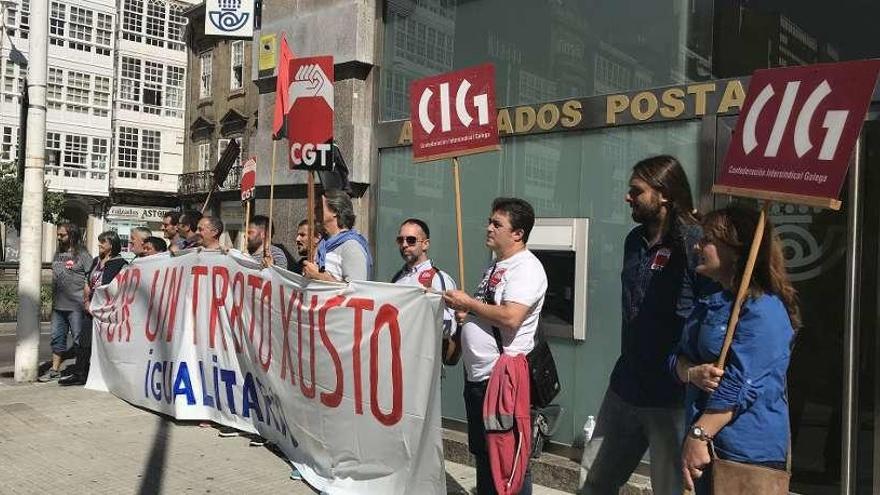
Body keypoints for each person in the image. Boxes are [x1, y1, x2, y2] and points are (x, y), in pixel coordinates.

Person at [581, 155, 707, 495]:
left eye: (636, 191)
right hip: (625, 386)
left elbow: (711, 311)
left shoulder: (694, 243)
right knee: (594, 481)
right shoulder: (634, 240)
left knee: (671, 489)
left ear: (664, 194)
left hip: (672, 396)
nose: (627, 197)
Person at [672, 205, 797, 493]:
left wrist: (699, 434)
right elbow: (675, 358)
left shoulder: (764, 309)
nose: (697, 245)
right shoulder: (710, 302)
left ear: (735, 249)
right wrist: (690, 372)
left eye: (707, 240)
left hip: (744, 452)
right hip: (706, 447)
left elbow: (742, 383)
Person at [443, 197, 548, 495]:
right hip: (480, 379)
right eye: (490, 221)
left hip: (502, 380)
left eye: (496, 223)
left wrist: (468, 303)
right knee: (485, 456)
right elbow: (486, 310)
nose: (488, 227)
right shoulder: (496, 265)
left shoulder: (526, 268)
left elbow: (512, 317)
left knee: (508, 460)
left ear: (518, 233)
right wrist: (469, 311)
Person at [60, 231, 127, 386]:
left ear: (112, 245)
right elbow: (88, 281)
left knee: (106, 344)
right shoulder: (96, 261)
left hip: (107, 311)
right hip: (90, 309)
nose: (99, 245)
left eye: (103, 242)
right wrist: (86, 302)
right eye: (99, 242)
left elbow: (120, 288)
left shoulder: (120, 263)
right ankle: (80, 373)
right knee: (84, 341)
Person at [39, 223, 93, 382]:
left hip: (76, 306)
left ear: (72, 235)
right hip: (58, 306)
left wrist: (86, 300)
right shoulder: (58, 252)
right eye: (58, 234)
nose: (59, 237)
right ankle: (55, 369)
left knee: (79, 340)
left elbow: (90, 278)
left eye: (62, 235)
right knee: (57, 338)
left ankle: (81, 370)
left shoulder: (83, 254)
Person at [391, 218, 457, 341]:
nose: (404, 245)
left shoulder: (437, 278)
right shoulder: (397, 278)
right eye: (400, 240)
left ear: (425, 244)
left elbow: (450, 328)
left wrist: (430, 305)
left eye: (411, 240)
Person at [302, 189, 372, 282]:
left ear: (335, 211)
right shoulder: (322, 245)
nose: (314, 212)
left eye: (319, 207)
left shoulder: (351, 247)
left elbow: (356, 291)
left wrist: (321, 277)